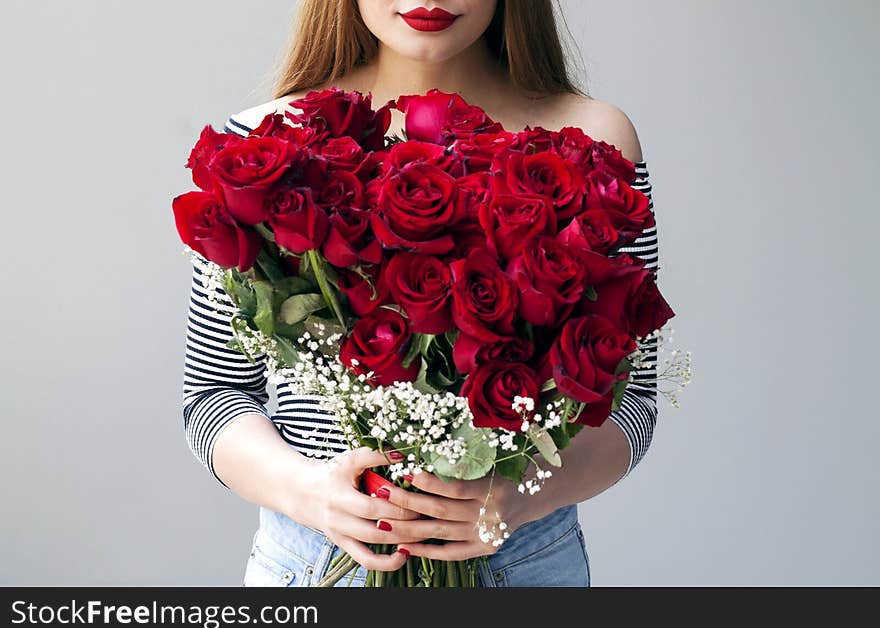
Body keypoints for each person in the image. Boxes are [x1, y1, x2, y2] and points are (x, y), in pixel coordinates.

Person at [182, 0, 661, 587]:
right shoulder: (263, 143)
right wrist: (311, 494)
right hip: (317, 560)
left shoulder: (592, 141)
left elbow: (632, 400)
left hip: (522, 559)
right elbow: (212, 398)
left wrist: (516, 498)